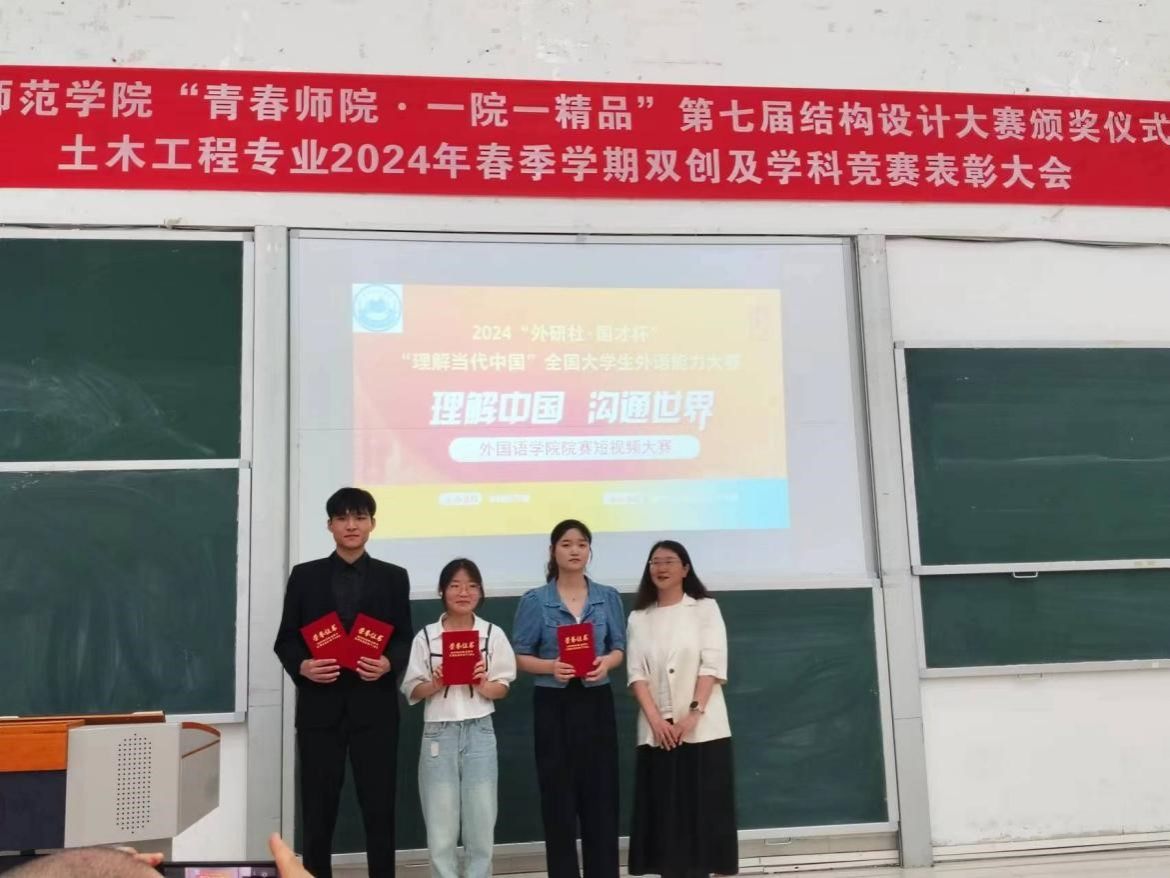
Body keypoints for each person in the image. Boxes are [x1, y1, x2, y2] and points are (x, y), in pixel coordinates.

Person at [273, 487, 413, 878]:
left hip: (376, 710)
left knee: (380, 809)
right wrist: (303, 666)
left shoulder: (393, 577)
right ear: (330, 525)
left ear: (372, 524)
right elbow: (286, 639)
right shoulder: (305, 576)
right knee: (318, 812)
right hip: (320, 710)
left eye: (359, 517)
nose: (351, 525)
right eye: (342, 518)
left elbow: (405, 637)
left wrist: (388, 663)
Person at [511, 519, 626, 878]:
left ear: (589, 550)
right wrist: (551, 667)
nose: (575, 550)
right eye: (566, 544)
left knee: (601, 798)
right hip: (553, 704)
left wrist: (606, 662)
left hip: (596, 701)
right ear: (553, 551)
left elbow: (619, 647)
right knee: (558, 800)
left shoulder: (608, 597)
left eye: (581, 544)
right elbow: (519, 655)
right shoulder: (535, 600)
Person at [626, 540, 737, 878]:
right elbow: (636, 675)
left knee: (704, 815)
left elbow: (712, 665)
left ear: (685, 568)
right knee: (666, 819)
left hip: (703, 730)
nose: (661, 568)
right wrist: (656, 721)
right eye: (655, 562)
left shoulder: (705, 609)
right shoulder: (638, 617)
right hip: (657, 733)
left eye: (669, 561)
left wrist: (692, 715)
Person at [400, 558, 517, 878]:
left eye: (471, 586)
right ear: (442, 591)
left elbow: (503, 687)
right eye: (455, 585)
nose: (464, 592)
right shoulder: (427, 636)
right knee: (441, 824)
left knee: (482, 820)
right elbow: (412, 689)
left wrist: (482, 683)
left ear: (480, 591)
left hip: (480, 730)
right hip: (438, 734)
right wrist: (435, 682)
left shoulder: (492, 633)